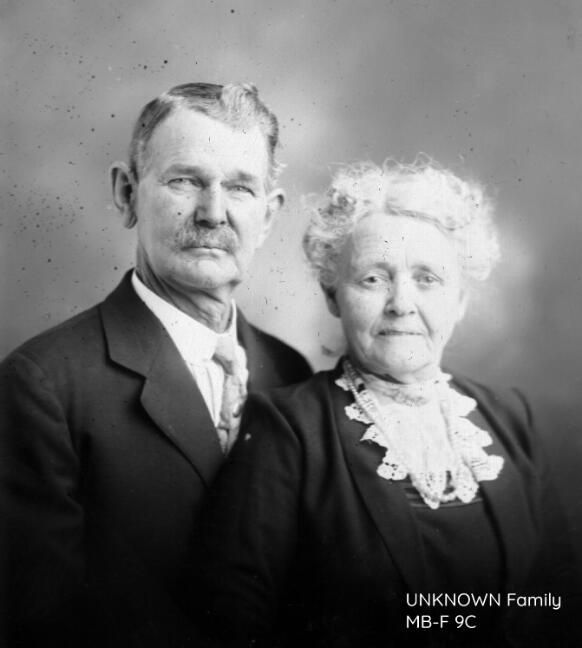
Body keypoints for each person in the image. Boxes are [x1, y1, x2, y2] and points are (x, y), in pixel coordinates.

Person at [198, 158, 580, 647]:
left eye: (427, 278)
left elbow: (558, 604)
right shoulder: (287, 429)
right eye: (373, 279)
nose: (401, 303)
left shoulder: (512, 420)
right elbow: (232, 623)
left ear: (460, 299)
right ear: (333, 294)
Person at [0, 82, 311, 648]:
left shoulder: (291, 371)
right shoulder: (43, 386)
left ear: (268, 216)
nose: (212, 213)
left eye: (240, 187)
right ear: (127, 194)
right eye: (184, 181)